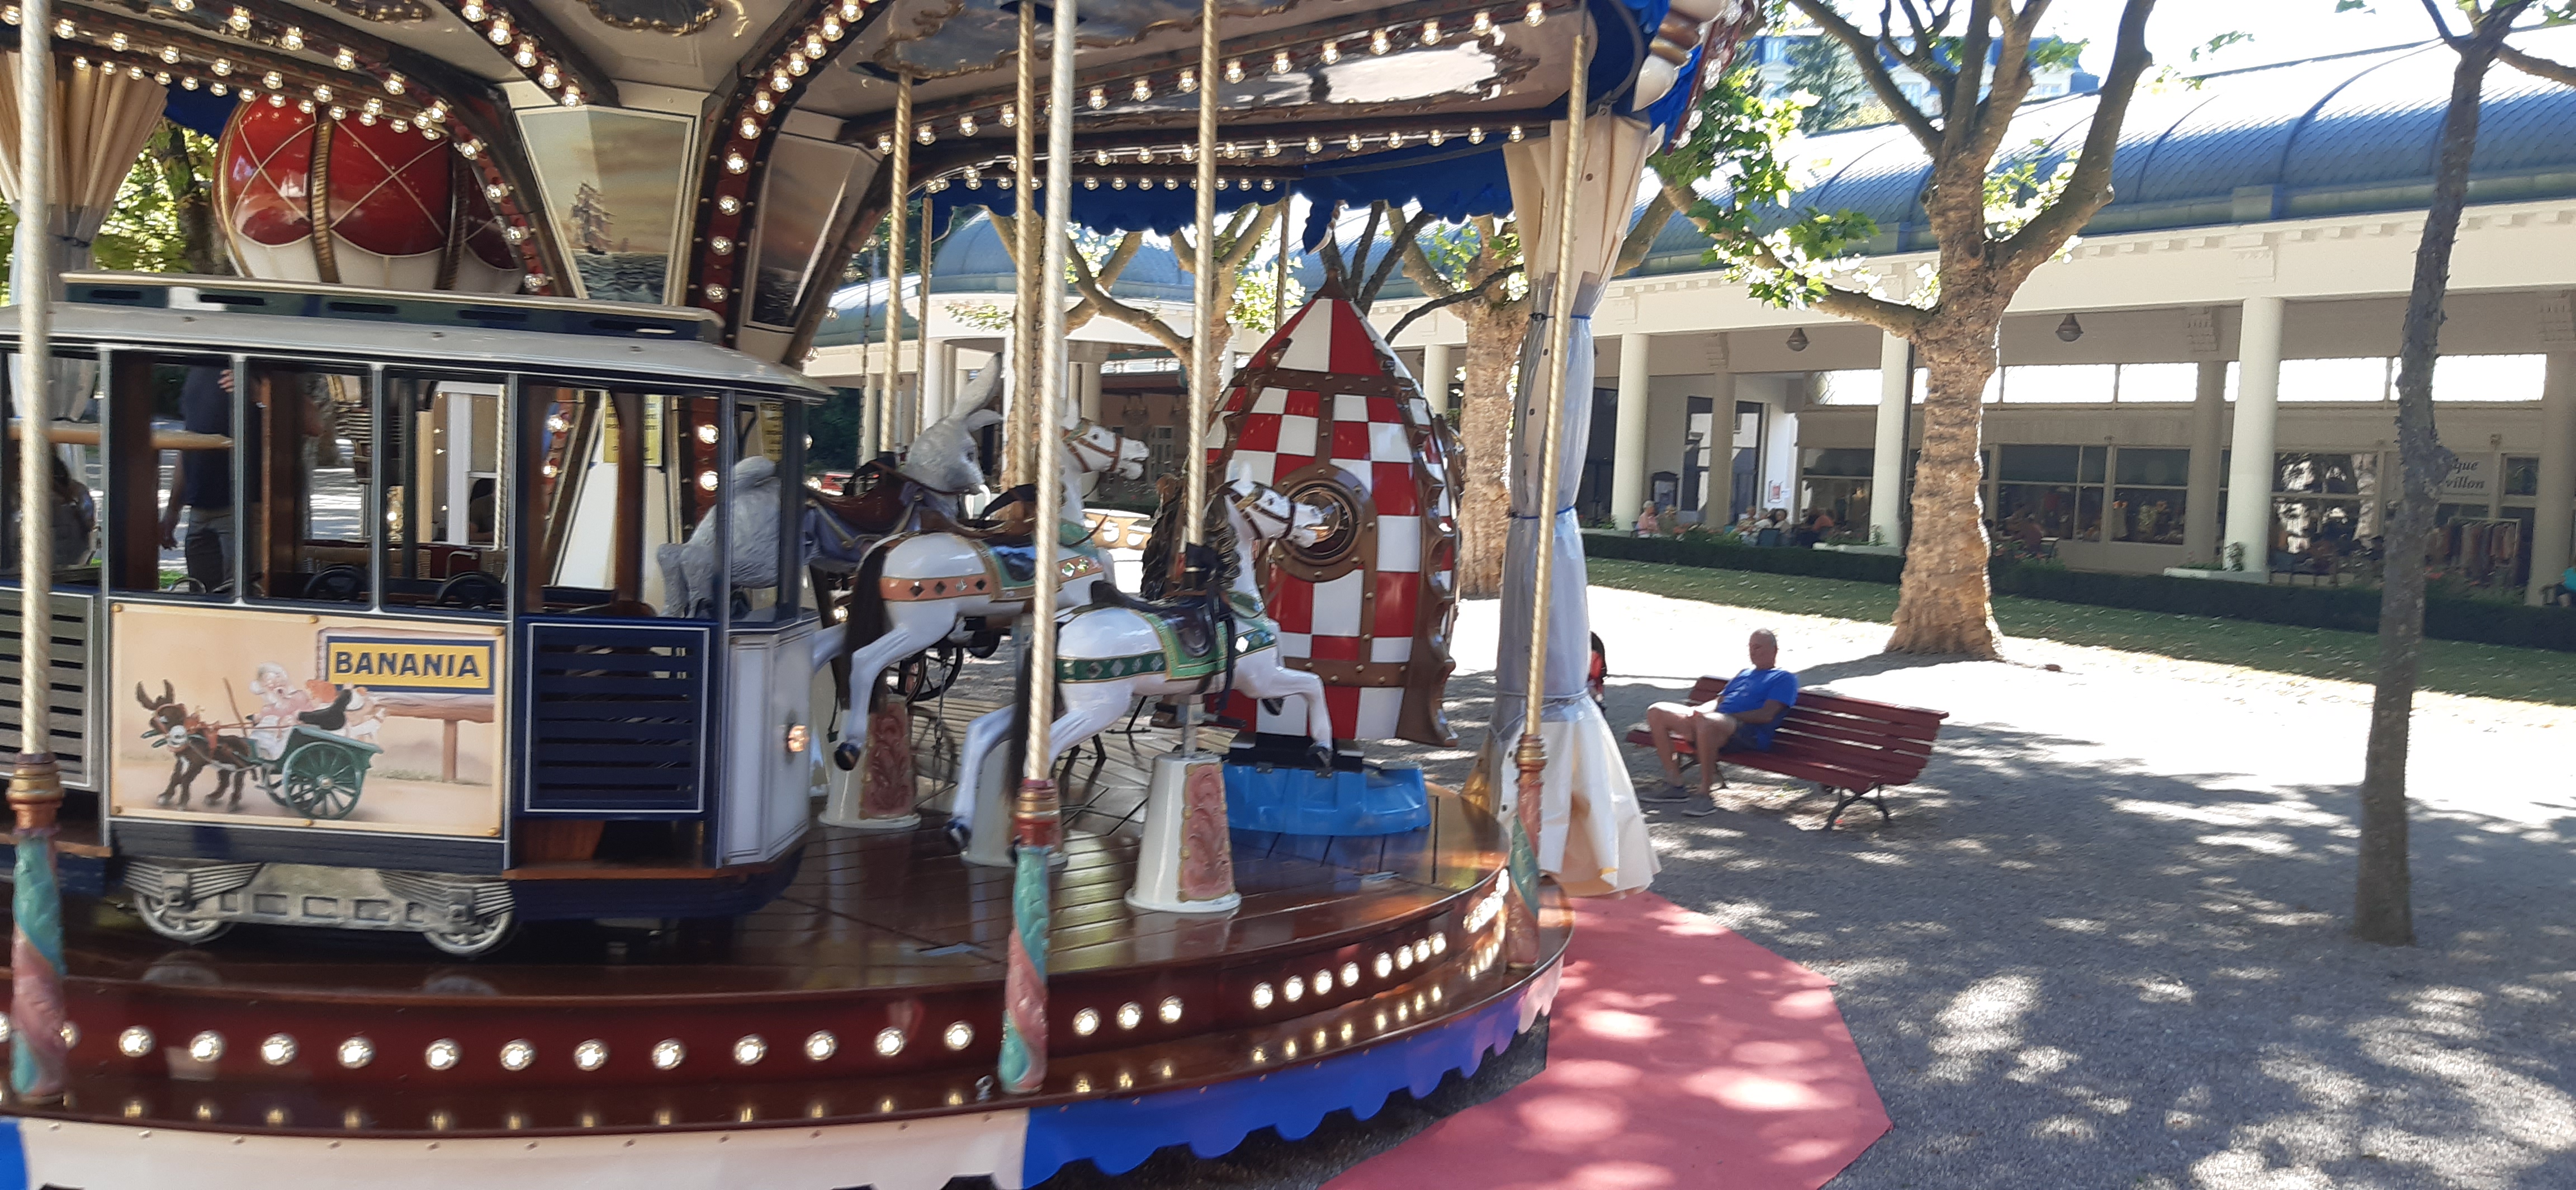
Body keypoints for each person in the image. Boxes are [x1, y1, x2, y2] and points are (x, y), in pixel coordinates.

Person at [1638, 629, 1800, 816]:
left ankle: (1705, 794)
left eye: (1757, 647)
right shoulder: (1745, 674)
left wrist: (1724, 717)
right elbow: (1718, 701)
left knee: (1707, 723)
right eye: (1750, 647)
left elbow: (1767, 715)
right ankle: (1675, 784)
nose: (1752, 652)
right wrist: (1699, 711)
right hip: (1716, 723)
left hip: (1749, 733)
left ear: (1774, 650)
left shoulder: (1784, 678)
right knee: (1657, 711)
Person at [160, 366, 234, 592]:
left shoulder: (250, 370)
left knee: (241, 592)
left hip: (241, 510)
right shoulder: (196, 376)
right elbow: (187, 447)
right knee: (201, 594)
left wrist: (259, 391)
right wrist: (172, 512)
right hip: (199, 510)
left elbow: (312, 424)